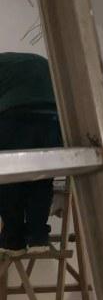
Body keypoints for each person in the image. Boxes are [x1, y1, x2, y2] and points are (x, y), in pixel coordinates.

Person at [0, 53, 62, 256]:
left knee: (8, 178)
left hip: (16, 116)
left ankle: (13, 240)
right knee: (42, 177)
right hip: (53, 116)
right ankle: (38, 238)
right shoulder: (30, 62)